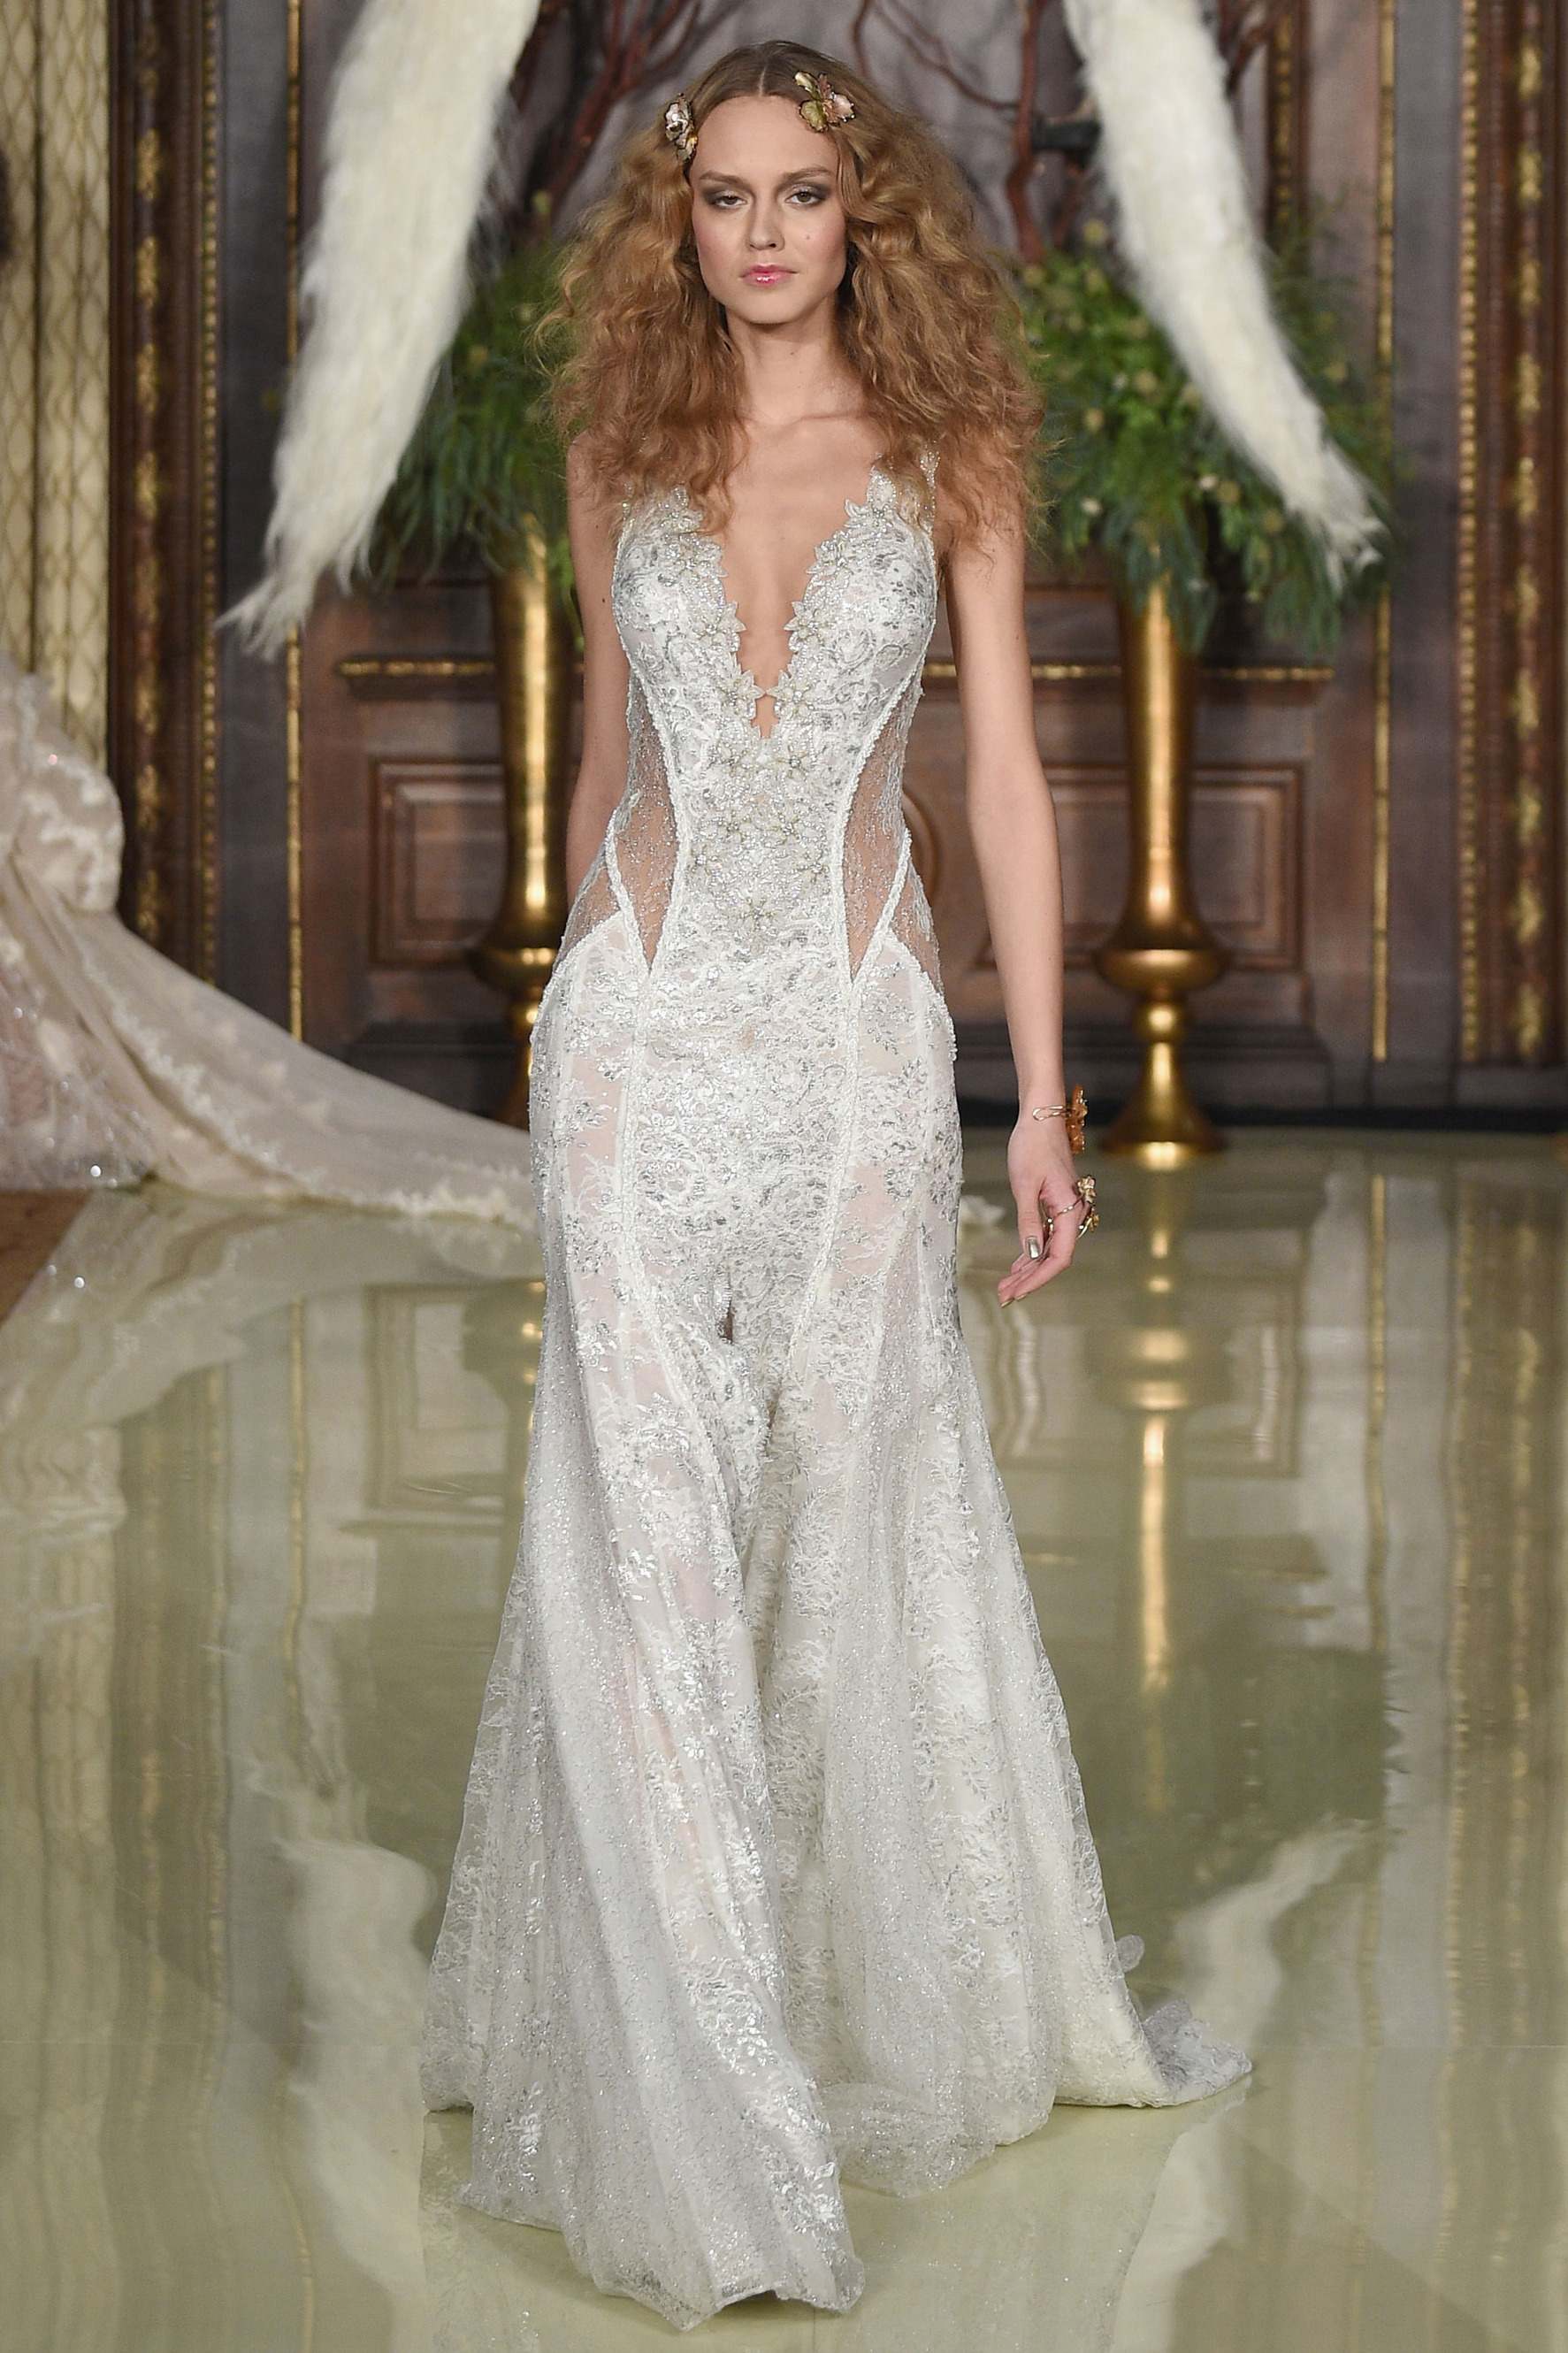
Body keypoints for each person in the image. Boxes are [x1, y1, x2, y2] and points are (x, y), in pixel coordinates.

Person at [418, 38, 1251, 2331]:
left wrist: (1044, 1099)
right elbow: (608, 755)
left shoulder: (950, 446)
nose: (766, 234)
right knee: (642, 1530)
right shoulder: (622, 444)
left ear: (858, 216)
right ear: (680, 223)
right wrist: (566, 1014)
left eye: (804, 196)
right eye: (729, 198)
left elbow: (1010, 780)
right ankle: (702, 2112)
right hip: (642, 1035)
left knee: (849, 1511)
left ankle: (812, 1980)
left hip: (864, 1045)